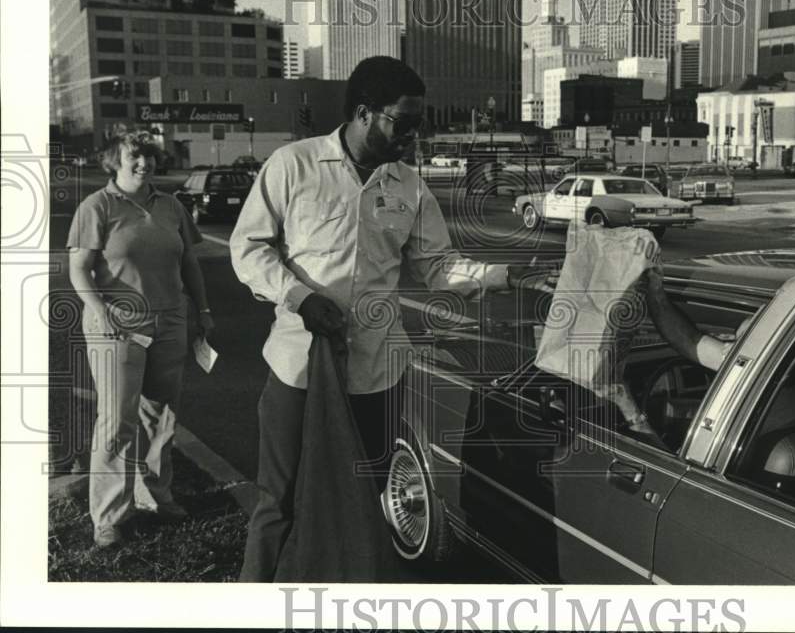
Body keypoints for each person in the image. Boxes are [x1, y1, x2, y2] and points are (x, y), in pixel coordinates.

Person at [230, 56, 553, 582]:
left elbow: (436, 267)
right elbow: (248, 249)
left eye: (417, 126)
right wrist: (299, 296)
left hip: (378, 376)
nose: (412, 137)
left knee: (362, 500)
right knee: (280, 502)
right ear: (364, 113)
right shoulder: (294, 165)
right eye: (403, 123)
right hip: (299, 371)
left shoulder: (408, 187)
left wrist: (506, 276)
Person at [66, 131, 213, 548]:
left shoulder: (171, 206)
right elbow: (80, 269)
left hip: (170, 320)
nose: (144, 164)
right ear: (115, 161)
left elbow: (188, 262)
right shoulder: (98, 206)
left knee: (160, 415)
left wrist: (202, 311)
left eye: (149, 156)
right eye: (135, 156)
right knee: (116, 420)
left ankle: (154, 497)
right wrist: (101, 311)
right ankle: (109, 516)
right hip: (117, 325)